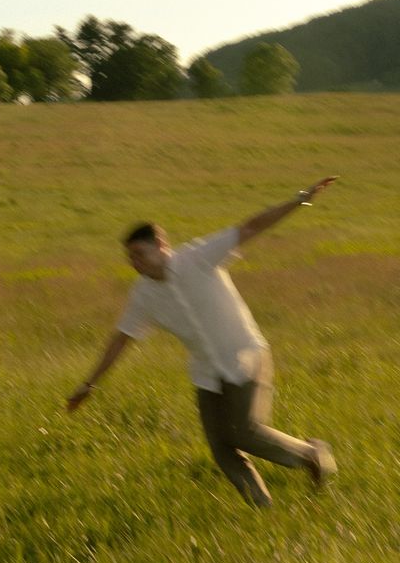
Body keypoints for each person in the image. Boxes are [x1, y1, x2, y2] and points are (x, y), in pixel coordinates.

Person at [66, 178, 339, 508]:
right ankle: (263, 508)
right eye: (130, 257)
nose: (133, 262)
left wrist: (300, 199)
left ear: (161, 245)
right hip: (207, 371)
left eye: (139, 253)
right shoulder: (143, 295)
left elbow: (251, 227)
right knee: (222, 448)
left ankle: (311, 454)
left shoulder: (199, 257)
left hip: (246, 355)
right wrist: (89, 385)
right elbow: (121, 339)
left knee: (246, 432)